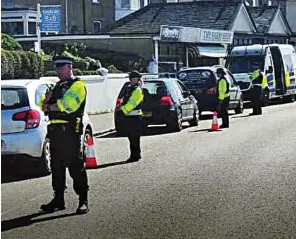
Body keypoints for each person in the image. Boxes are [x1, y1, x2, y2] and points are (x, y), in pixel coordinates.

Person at [39, 56, 89, 214]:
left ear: (70, 67)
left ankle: (83, 200)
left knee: (76, 168)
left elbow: (67, 106)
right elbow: (44, 106)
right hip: (55, 132)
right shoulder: (57, 86)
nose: (58, 71)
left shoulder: (78, 85)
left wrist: (51, 105)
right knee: (56, 169)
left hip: (70, 132)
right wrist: (49, 105)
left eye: (61, 68)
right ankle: (58, 199)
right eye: (56, 68)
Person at [116, 70, 144, 162]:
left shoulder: (137, 90)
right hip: (129, 117)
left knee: (134, 138)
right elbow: (124, 99)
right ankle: (136, 154)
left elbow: (132, 103)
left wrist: (122, 109)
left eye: (132, 78)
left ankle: (135, 156)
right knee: (131, 138)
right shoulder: (129, 88)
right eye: (130, 78)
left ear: (136, 79)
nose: (131, 79)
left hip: (135, 117)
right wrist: (120, 105)